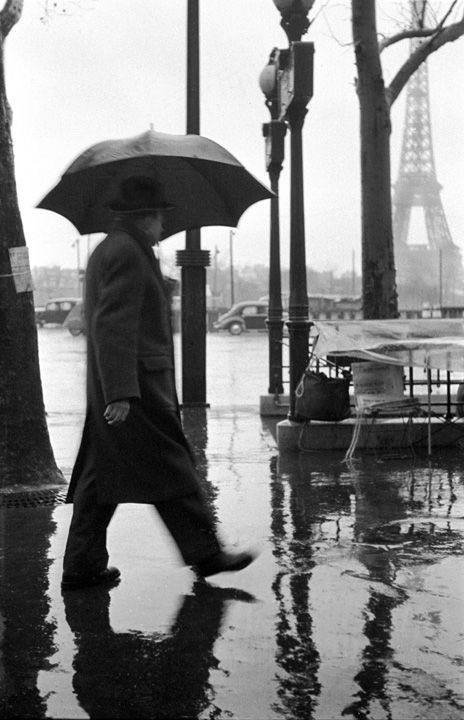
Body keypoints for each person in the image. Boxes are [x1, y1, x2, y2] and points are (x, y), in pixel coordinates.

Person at [61, 176, 255, 590]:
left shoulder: (116, 249)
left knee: (100, 478)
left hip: (123, 386)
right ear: (144, 217)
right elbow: (113, 326)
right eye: (160, 218)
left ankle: (82, 565)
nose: (163, 226)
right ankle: (207, 553)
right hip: (139, 390)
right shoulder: (128, 253)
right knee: (172, 466)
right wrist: (121, 393)